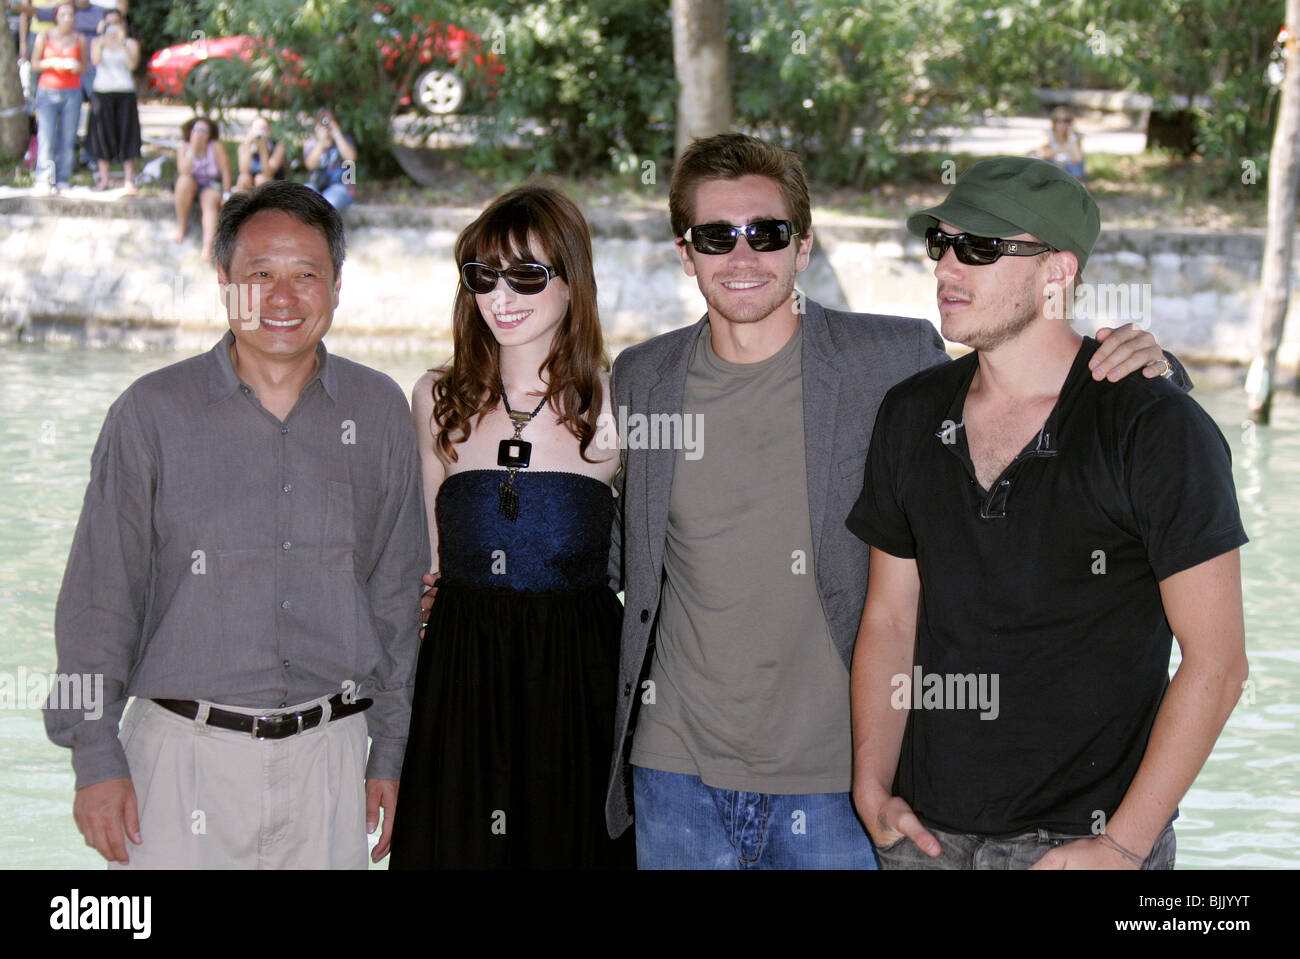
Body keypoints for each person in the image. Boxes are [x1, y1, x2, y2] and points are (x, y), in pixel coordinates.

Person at [604, 133, 1179, 870]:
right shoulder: (641, 378)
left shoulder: (893, 360)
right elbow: (621, 547)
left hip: (844, 782)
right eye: (716, 236)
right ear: (686, 253)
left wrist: (1155, 366)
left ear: (803, 247)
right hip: (673, 776)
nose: (742, 257)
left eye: (767, 233)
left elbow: (1027, 369)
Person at [847, 156, 1247, 870]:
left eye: (981, 248)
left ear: (1057, 272)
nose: (946, 267)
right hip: (923, 841)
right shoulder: (909, 414)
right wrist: (872, 786)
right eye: (941, 242)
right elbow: (890, 618)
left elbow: (1217, 662)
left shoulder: (1155, 426)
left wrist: (1121, 846)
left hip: (1083, 848)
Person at [44, 180, 429, 868]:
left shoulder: (377, 412)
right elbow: (98, 602)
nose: (283, 298)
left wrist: (390, 751)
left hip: (332, 761)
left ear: (337, 285)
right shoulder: (150, 414)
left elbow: (395, 601)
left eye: (306, 274)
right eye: (259, 274)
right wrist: (95, 755)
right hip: (177, 761)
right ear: (224, 283)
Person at [390, 184, 634, 869]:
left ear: (571, 280)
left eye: (527, 274)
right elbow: (424, 566)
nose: (501, 295)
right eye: (483, 275)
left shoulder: (622, 404)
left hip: (578, 692)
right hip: (459, 687)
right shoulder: (436, 397)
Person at [30, 2, 83, 194]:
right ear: (56, 17)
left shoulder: (80, 38)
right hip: (48, 90)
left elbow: (84, 67)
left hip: (72, 92)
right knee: (46, 136)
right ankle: (43, 179)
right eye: (63, 15)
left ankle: (63, 179)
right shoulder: (44, 36)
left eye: (70, 15)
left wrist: (76, 66)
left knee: (67, 138)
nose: (67, 18)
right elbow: (34, 64)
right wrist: (53, 62)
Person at [87, 6, 138, 193]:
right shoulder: (97, 42)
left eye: (116, 22)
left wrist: (122, 42)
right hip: (102, 92)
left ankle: (128, 180)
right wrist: (102, 37)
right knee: (102, 135)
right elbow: (95, 61)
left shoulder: (130, 43)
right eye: (109, 23)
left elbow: (132, 64)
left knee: (127, 134)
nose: (113, 27)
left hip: (125, 92)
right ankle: (104, 179)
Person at [172, 114, 231, 259]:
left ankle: (207, 246)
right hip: (191, 183)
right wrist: (193, 149)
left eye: (204, 130)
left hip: (211, 184)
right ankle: (182, 227)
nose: (199, 133)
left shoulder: (215, 146)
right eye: (196, 129)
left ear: (209, 134)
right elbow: (184, 171)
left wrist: (227, 193)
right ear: (190, 131)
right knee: (183, 181)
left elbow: (226, 170)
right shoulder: (183, 147)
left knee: (210, 201)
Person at [303, 109, 356, 211]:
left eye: (329, 121)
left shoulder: (344, 140)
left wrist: (337, 134)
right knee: (304, 196)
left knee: (328, 204)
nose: (326, 125)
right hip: (316, 184)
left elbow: (351, 158)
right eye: (322, 122)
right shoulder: (311, 143)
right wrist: (322, 142)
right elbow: (310, 165)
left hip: (340, 186)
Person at [234, 115, 286, 192]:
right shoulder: (243, 147)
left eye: (263, 129)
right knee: (243, 179)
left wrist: (263, 150)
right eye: (257, 129)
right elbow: (243, 170)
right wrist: (248, 146)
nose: (260, 133)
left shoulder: (278, 147)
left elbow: (268, 172)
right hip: (250, 181)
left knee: (261, 179)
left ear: (269, 131)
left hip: (272, 182)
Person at [1038, 106, 1085, 179]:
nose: (1062, 124)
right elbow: (1042, 154)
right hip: (1054, 166)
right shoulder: (1049, 134)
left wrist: (1071, 135)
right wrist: (1064, 149)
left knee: (1077, 167)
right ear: (1054, 122)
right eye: (1058, 120)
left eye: (1066, 120)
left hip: (1069, 169)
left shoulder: (1075, 136)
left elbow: (1077, 159)